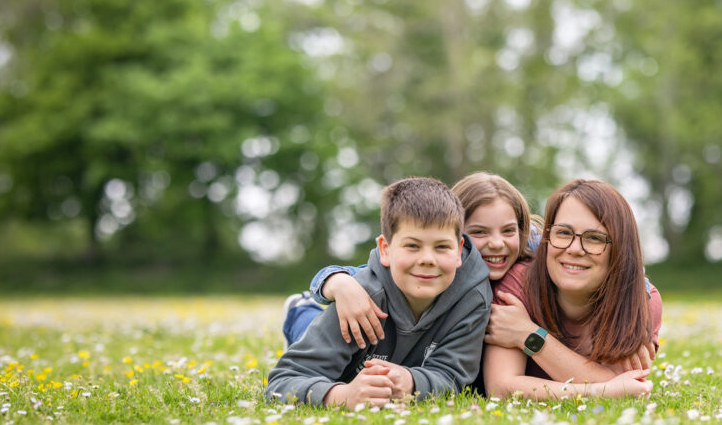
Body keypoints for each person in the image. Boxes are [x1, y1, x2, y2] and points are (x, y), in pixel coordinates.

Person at [265, 177, 492, 408]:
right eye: (412, 246)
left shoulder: (474, 298)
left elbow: (452, 375)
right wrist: (342, 396)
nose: (427, 259)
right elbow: (281, 383)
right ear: (385, 249)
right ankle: (300, 309)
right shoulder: (364, 295)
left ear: (458, 250)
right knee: (308, 326)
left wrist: (411, 382)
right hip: (334, 331)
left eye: (442, 247)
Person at [282, 172, 538, 349]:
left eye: (508, 231)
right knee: (319, 332)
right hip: (366, 331)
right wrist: (339, 284)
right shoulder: (436, 267)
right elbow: (360, 274)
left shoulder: (525, 266)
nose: (496, 243)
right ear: (455, 235)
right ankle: (300, 310)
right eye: (479, 232)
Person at [481, 179, 662, 400]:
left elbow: (622, 385)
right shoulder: (519, 283)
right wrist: (599, 393)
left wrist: (528, 335)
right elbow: (500, 387)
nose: (574, 249)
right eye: (564, 233)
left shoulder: (641, 301)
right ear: (547, 237)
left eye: (594, 238)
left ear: (620, 249)